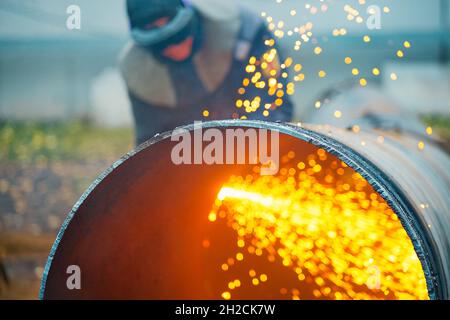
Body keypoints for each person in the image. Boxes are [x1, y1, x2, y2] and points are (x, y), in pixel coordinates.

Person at [120, 0, 294, 145]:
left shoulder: (245, 34)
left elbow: (273, 110)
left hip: (253, 147)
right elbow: (150, 142)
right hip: (189, 157)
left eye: (179, 36)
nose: (175, 48)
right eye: (162, 44)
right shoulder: (137, 70)